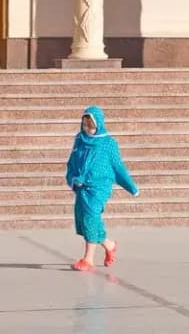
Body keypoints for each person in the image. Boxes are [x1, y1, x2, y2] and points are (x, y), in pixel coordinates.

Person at [65, 106, 138, 271]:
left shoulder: (108, 143)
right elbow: (72, 162)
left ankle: (88, 259)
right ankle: (110, 245)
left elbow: (118, 166)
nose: (87, 130)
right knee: (86, 218)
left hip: (99, 187)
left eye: (91, 126)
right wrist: (73, 178)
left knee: (91, 217)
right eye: (85, 125)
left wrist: (131, 187)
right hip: (82, 186)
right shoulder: (80, 140)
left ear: (99, 124)